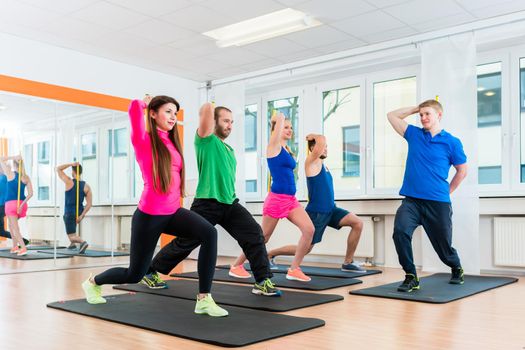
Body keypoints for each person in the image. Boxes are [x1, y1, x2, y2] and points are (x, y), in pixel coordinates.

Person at [82, 95, 227, 317]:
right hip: (149, 216)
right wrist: (143, 103)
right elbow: (132, 110)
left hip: (172, 212)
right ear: (153, 113)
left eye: (174, 113)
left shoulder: (172, 141)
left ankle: (204, 299)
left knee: (209, 232)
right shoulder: (144, 140)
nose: (172, 117)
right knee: (134, 274)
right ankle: (93, 282)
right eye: (167, 111)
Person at [143, 103, 281, 297]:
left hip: (229, 203)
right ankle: (150, 271)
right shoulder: (206, 140)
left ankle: (262, 281)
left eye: (232, 122)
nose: (230, 125)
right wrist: (210, 103)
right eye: (225, 121)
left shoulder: (229, 150)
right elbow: (206, 114)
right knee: (187, 242)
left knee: (254, 234)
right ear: (213, 122)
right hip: (207, 203)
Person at [387, 99, 468, 292]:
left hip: (438, 203)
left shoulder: (452, 142)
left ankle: (456, 267)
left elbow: (462, 171)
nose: (423, 118)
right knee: (400, 232)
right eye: (421, 115)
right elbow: (391, 116)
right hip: (412, 201)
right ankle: (411, 276)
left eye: (427, 114)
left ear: (439, 115)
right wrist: (417, 107)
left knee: (443, 248)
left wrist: (448, 191)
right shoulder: (414, 134)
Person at [230, 113, 314, 282]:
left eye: (291, 127)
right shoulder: (273, 147)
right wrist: (279, 117)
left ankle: (294, 269)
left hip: (291, 199)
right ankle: (237, 265)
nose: (289, 130)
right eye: (286, 127)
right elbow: (276, 130)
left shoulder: (287, 149)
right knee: (262, 237)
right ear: (276, 129)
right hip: (276, 199)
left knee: (309, 229)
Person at [264, 134, 366, 273]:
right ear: (314, 148)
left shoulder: (324, 166)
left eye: (327, 148)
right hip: (317, 213)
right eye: (323, 147)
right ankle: (271, 253)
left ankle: (348, 262)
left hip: (331, 210)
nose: (326, 150)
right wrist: (315, 136)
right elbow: (320, 143)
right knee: (305, 249)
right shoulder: (311, 162)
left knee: (357, 223)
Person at [0, 155, 33, 256]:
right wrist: (22, 205)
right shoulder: (26, 177)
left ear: (14, 165)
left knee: (15, 228)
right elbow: (31, 193)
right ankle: (15, 246)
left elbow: (1, 159)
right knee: (11, 225)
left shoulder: (10, 174)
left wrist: (14, 156)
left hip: (11, 204)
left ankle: (23, 248)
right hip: (21, 205)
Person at [56, 162, 91, 253]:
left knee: (71, 236)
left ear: (73, 172)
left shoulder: (69, 181)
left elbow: (58, 168)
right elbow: (89, 204)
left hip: (69, 213)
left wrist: (71, 163)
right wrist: (81, 216)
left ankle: (83, 243)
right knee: (72, 231)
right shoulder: (86, 186)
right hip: (79, 212)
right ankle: (73, 245)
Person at [0, 167, 29, 245]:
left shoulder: (3, 178)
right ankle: (22, 241)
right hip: (5, 205)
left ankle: (20, 243)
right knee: (2, 231)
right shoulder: (6, 177)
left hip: (3, 206)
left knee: (12, 227)